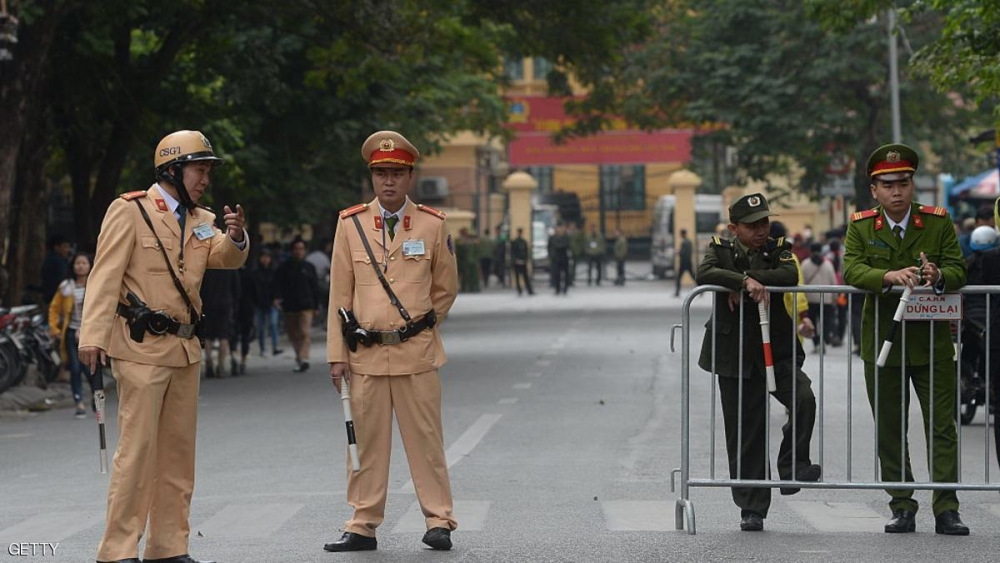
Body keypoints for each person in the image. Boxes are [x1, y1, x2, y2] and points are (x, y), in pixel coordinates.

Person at [79, 129, 248, 563]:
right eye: (199, 169)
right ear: (172, 169)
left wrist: (237, 237)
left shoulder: (202, 220)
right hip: (139, 349)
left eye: (208, 170)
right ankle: (117, 550)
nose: (205, 178)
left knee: (177, 456)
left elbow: (223, 258)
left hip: (185, 351)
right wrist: (92, 337)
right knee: (137, 453)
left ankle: (169, 546)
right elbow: (104, 276)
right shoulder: (130, 210)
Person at [325, 130, 458, 553]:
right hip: (365, 354)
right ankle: (362, 523)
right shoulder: (350, 224)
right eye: (381, 173)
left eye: (396, 173)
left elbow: (446, 288)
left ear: (410, 176)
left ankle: (439, 520)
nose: (388, 181)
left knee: (426, 442)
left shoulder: (434, 225)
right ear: (372, 177)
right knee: (363, 445)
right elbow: (338, 294)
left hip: (416, 354)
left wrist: (421, 328)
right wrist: (336, 355)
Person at [843, 143, 969, 535]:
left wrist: (938, 275)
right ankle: (902, 504)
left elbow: (958, 269)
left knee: (942, 427)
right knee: (890, 429)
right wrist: (886, 276)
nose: (897, 191)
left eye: (904, 183)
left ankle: (946, 507)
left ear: (913, 185)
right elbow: (851, 269)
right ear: (874, 191)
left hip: (932, 343)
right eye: (888, 185)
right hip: (883, 342)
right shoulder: (862, 225)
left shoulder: (937, 222)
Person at [697, 193, 821, 532]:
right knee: (746, 434)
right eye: (752, 226)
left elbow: (787, 275)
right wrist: (739, 281)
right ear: (734, 228)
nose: (761, 230)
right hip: (735, 354)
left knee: (803, 398)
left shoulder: (778, 249)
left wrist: (745, 278)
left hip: (776, 349)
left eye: (764, 222)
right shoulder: (720, 250)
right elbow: (704, 272)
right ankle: (752, 508)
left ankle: (792, 464)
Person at [48, 252, 94, 418]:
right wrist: (54, 329)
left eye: (84, 263)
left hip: (91, 334)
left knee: (91, 370)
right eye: (77, 263)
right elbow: (54, 308)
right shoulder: (66, 286)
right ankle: (79, 402)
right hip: (71, 333)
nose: (80, 266)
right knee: (74, 369)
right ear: (72, 266)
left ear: (90, 265)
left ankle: (97, 398)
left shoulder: (96, 284)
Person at [276, 237, 320, 372]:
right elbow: (278, 285)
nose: (298, 252)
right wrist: (276, 298)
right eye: (296, 249)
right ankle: (299, 357)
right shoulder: (284, 267)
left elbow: (315, 287)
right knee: (293, 334)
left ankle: (304, 357)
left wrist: (316, 306)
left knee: (304, 332)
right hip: (289, 306)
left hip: (306, 305)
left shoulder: (309, 267)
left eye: (301, 249)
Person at [198, 268, 239, 378]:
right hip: (225, 303)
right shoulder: (230, 269)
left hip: (208, 304)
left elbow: (200, 289)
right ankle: (221, 366)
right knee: (224, 336)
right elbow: (236, 289)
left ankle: (209, 364)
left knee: (208, 335)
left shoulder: (206, 270)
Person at [800, 242, 838, 351]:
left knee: (812, 323)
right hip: (826, 299)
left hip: (810, 299)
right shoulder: (828, 264)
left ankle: (816, 343)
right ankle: (823, 340)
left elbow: (802, 281)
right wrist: (834, 297)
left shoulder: (805, 264)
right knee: (825, 322)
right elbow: (833, 282)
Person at [251, 250, 282, 357]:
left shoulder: (274, 272)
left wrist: (277, 298)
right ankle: (262, 348)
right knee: (261, 327)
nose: (265, 260)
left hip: (272, 302)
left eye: (267, 257)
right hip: (259, 303)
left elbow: (277, 287)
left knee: (273, 324)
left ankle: (275, 346)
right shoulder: (256, 273)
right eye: (264, 257)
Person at [40, 233, 72, 316]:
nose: (68, 250)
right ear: (56, 247)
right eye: (65, 246)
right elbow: (62, 281)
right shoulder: (58, 262)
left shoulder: (48, 260)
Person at [510, 227, 534, 296]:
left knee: (522, 277)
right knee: (523, 277)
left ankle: (522, 290)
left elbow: (514, 252)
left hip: (520, 261)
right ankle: (527, 290)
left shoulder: (518, 242)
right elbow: (524, 252)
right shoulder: (521, 242)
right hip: (520, 261)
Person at [548, 223, 571, 295]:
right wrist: (551, 255)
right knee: (556, 274)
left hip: (564, 258)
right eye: (558, 228)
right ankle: (557, 289)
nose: (559, 230)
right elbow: (549, 247)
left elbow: (566, 245)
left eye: (561, 228)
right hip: (556, 258)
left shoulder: (566, 237)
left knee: (565, 274)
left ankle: (565, 289)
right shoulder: (552, 237)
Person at [675, 228, 694, 297]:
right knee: (693, 276)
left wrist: (678, 252)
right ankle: (701, 290)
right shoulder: (689, 242)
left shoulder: (684, 242)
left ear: (683, 234)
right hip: (688, 262)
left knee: (678, 277)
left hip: (683, 262)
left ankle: (677, 292)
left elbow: (683, 253)